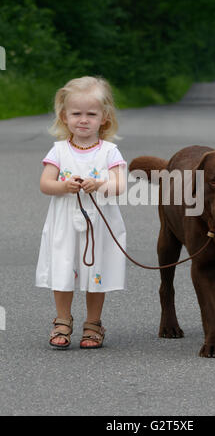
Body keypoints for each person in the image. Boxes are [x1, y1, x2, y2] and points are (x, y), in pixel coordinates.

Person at [36, 76, 127, 349]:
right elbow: (45, 184)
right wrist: (64, 186)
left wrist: (100, 184)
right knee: (64, 268)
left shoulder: (110, 152)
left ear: (104, 118)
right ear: (64, 116)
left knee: (95, 272)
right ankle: (62, 319)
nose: (83, 120)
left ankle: (93, 323)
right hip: (65, 222)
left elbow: (120, 185)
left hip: (99, 224)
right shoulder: (59, 150)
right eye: (76, 113)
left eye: (91, 114)